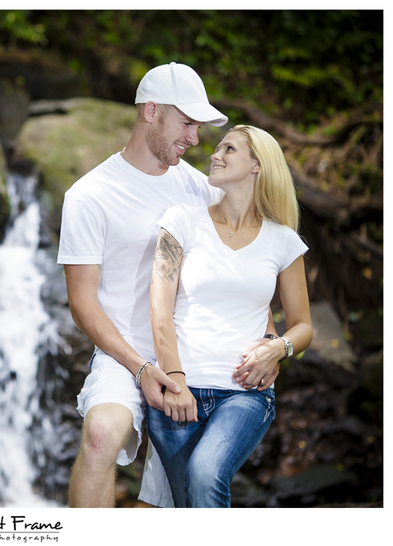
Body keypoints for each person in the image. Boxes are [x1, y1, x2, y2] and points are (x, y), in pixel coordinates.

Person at [57, 63, 279, 508]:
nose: (195, 139)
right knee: (101, 435)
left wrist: (269, 339)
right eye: (188, 123)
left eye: (199, 127)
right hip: (125, 357)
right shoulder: (89, 195)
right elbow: (82, 303)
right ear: (151, 110)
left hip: (196, 362)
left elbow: (245, 267)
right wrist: (140, 368)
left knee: (165, 505)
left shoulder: (201, 191)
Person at [147, 124, 313, 508]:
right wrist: (174, 381)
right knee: (187, 506)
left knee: (206, 473)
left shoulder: (284, 241)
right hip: (177, 393)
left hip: (245, 394)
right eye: (217, 148)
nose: (214, 154)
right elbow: (159, 309)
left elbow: (303, 326)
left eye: (229, 149)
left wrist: (279, 348)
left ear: (257, 166)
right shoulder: (181, 220)